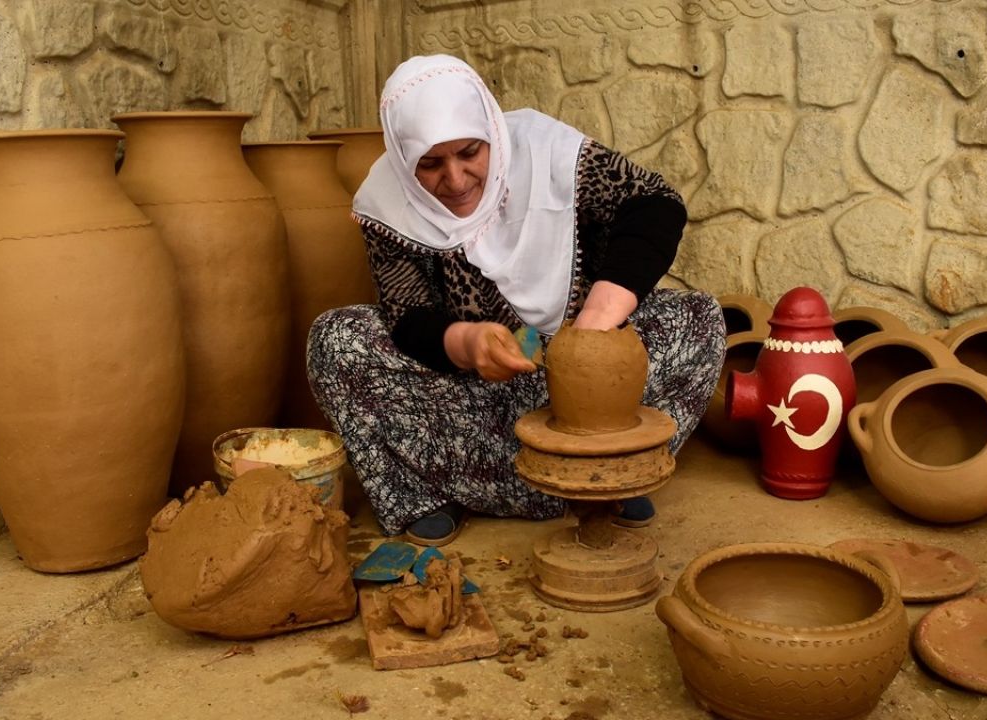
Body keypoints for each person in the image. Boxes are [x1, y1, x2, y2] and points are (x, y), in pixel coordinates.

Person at [308, 54, 724, 546]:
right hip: (480, 393)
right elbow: (407, 313)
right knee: (336, 338)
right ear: (403, 159)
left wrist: (598, 316)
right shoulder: (387, 203)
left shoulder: (546, 152)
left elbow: (655, 206)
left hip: (580, 362)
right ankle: (425, 493)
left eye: (469, 152)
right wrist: (466, 342)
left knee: (699, 317)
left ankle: (611, 467)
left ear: (490, 130)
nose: (457, 180)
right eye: (430, 163)